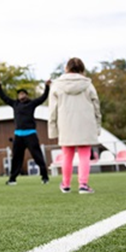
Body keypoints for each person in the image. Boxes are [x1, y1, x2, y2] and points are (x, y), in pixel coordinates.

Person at [48, 57, 101, 194]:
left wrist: (53, 130)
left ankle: (65, 185)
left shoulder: (57, 85)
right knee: (84, 154)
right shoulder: (88, 85)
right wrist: (98, 126)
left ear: (67, 68)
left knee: (67, 155)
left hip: (65, 123)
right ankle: (83, 185)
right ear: (82, 69)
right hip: (85, 123)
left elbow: (52, 110)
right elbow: (96, 107)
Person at [0, 75, 51, 185]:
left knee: (37, 156)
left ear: (26, 95)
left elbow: (43, 97)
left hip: (31, 134)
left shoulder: (32, 103)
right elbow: (3, 97)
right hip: (18, 135)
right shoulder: (15, 104)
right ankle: (12, 179)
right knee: (16, 158)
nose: (21, 95)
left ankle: (45, 177)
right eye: (19, 94)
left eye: (23, 93)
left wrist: (47, 87)